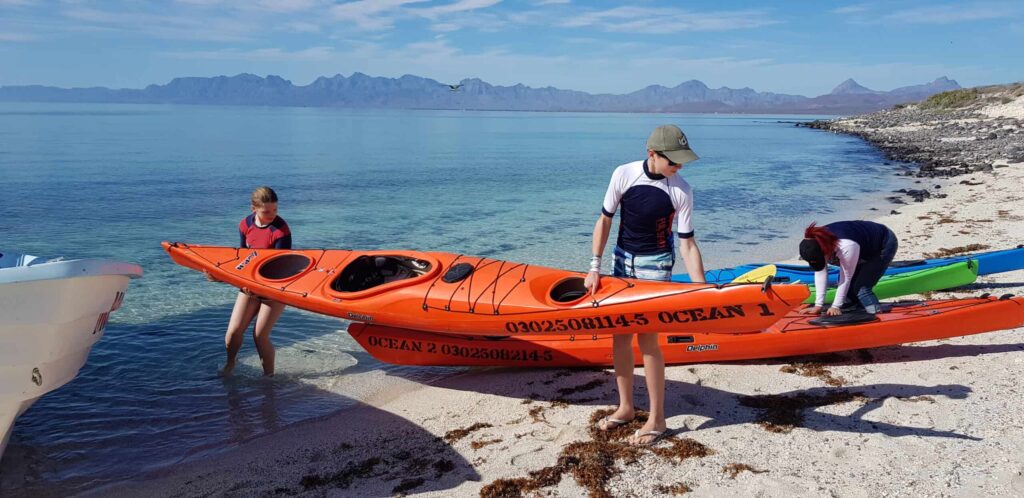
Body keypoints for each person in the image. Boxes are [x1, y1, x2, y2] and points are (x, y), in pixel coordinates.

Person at [583, 124, 706, 446]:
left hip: (656, 268)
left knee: (648, 341)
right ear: (652, 153)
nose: (678, 168)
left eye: (681, 162)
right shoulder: (623, 174)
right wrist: (594, 267)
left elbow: (688, 244)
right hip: (621, 263)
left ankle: (658, 418)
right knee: (620, 337)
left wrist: (702, 288)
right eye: (673, 161)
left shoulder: (681, 190)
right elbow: (605, 219)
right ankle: (625, 407)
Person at [219, 186, 292, 376]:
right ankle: (230, 365)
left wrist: (259, 287)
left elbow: (279, 266)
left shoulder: (281, 230)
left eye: (275, 210)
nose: (272, 215)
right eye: (267, 211)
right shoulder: (245, 225)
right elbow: (243, 258)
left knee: (259, 336)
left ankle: (269, 378)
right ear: (254, 209)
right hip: (250, 286)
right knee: (233, 333)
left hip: (273, 288)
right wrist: (223, 277)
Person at [798, 220, 898, 316]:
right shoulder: (814, 244)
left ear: (824, 250)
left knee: (861, 288)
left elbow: (845, 278)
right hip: (860, 244)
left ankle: (876, 315)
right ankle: (858, 310)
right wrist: (818, 305)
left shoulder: (845, 246)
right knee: (849, 291)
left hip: (883, 243)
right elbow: (821, 273)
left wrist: (836, 306)